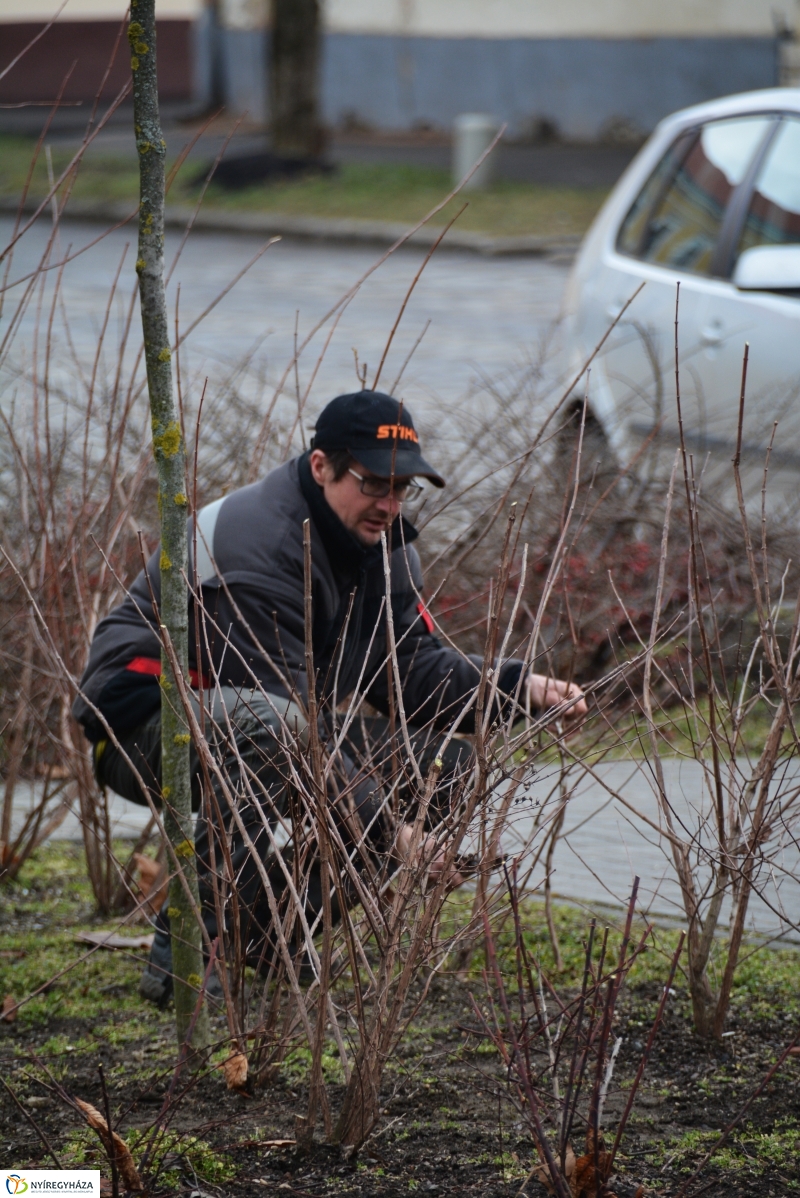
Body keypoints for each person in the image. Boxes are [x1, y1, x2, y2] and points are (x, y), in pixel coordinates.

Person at [73, 390, 586, 1004]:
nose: (391, 505)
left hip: (265, 722)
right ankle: (185, 956)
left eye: (404, 488)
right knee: (271, 730)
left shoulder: (381, 548)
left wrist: (516, 687)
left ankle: (270, 933)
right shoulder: (259, 548)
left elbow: (409, 670)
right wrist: (393, 834)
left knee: (444, 770)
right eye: (375, 484)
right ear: (322, 467)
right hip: (144, 729)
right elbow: (284, 738)